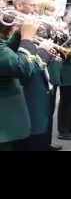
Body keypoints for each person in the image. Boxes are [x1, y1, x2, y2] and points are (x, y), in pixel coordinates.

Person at [0, 15, 47, 151]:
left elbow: (6, 51)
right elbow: (23, 67)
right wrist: (27, 39)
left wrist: (19, 35)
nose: (3, 5)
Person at [36, 0, 65, 150]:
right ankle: (42, 143)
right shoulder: (40, 24)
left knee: (50, 109)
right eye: (49, 10)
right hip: (44, 69)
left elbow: (57, 45)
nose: (52, 13)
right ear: (42, 10)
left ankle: (47, 142)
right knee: (45, 109)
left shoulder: (51, 23)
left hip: (53, 67)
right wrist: (52, 28)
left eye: (53, 10)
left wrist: (61, 32)